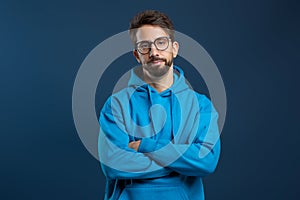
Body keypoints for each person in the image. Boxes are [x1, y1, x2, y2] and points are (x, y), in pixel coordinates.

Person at [98, 10, 221, 200]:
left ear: (175, 48)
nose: (154, 52)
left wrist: (146, 145)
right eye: (144, 46)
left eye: (161, 43)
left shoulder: (200, 105)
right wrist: (181, 165)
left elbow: (206, 161)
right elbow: (113, 165)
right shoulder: (116, 105)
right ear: (137, 55)